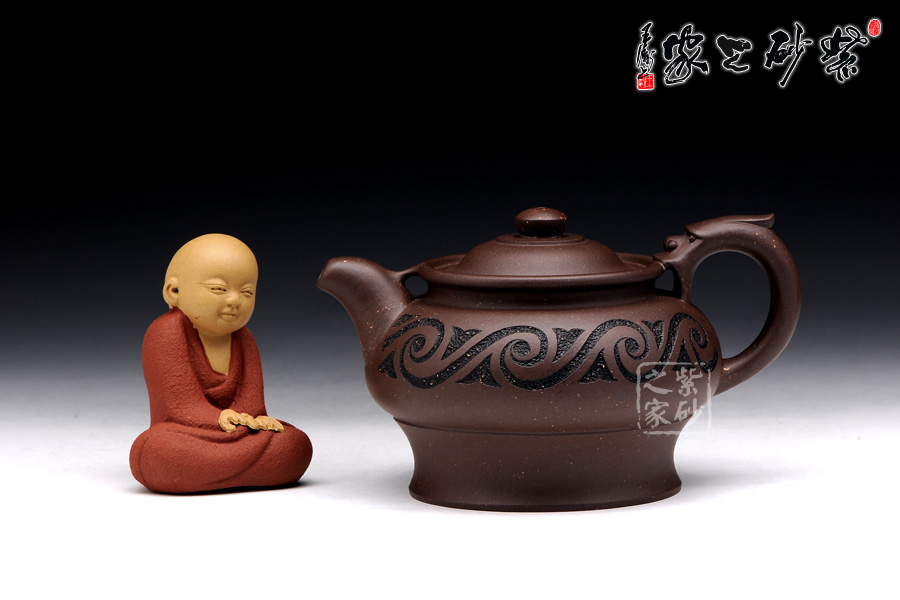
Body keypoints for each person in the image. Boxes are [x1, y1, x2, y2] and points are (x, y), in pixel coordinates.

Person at [130, 234, 312, 493]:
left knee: (294, 444)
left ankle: (208, 472)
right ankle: (235, 469)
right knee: (158, 452)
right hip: (185, 431)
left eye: (247, 292)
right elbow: (180, 406)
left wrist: (254, 420)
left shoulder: (244, 339)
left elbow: (252, 403)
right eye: (218, 289)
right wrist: (222, 418)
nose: (235, 300)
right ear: (174, 291)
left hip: (237, 431)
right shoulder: (166, 332)